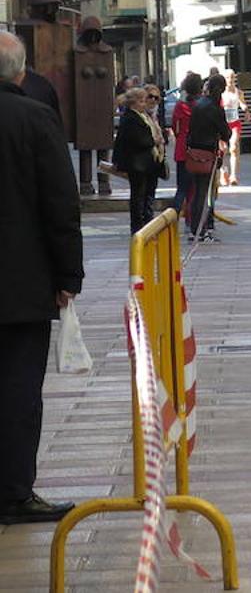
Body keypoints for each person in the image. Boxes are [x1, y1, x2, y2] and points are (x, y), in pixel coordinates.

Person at [0, 31, 82, 524]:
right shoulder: (33, 118)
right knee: (17, 389)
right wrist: (68, 273)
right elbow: (60, 203)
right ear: (21, 72)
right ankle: (13, 492)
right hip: (21, 282)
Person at [112, 85, 168, 234]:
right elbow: (139, 140)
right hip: (138, 164)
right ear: (134, 103)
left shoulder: (143, 116)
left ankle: (146, 222)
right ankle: (138, 226)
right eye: (142, 101)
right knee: (139, 196)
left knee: (147, 195)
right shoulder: (131, 118)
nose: (146, 104)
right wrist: (154, 140)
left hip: (147, 163)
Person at [186, 75, 231, 242]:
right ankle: (201, 230)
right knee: (205, 193)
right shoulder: (215, 108)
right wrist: (223, 138)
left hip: (194, 152)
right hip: (208, 154)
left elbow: (190, 130)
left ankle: (194, 229)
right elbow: (225, 132)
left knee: (197, 191)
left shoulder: (198, 105)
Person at [170, 73, 203, 217]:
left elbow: (175, 128)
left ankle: (173, 217)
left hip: (182, 150)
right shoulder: (202, 105)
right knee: (195, 189)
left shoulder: (179, 106)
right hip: (198, 149)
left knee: (182, 188)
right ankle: (192, 220)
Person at [220, 69, 246, 186]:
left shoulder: (238, 92)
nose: (230, 80)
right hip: (222, 124)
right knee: (222, 150)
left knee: (234, 148)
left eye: (232, 77)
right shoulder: (220, 93)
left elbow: (242, 103)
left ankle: (234, 175)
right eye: (228, 78)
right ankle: (223, 171)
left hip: (234, 123)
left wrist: (245, 108)